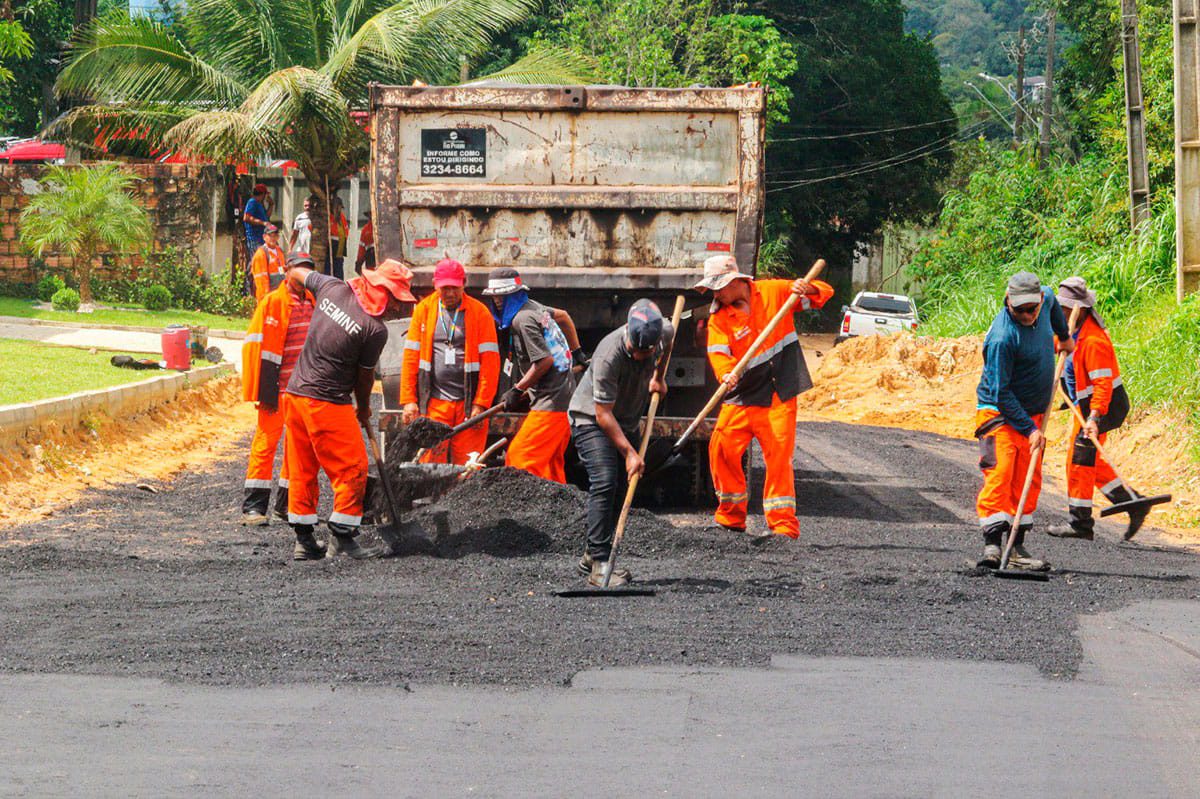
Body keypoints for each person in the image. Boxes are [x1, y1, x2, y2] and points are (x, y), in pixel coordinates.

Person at [282, 255, 416, 559]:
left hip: (295, 395)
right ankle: (342, 537)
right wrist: (364, 408)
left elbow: (296, 272)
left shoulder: (330, 287)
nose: (397, 306)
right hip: (326, 402)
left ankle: (303, 541)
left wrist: (295, 287)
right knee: (353, 467)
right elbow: (364, 376)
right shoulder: (374, 329)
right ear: (381, 290)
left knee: (303, 468)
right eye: (395, 298)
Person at [696, 255, 834, 542]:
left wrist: (805, 289)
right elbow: (718, 353)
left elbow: (824, 293)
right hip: (742, 395)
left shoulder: (774, 291)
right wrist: (725, 374)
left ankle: (782, 527)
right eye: (713, 289)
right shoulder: (719, 317)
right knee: (721, 448)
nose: (716, 294)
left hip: (777, 394)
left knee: (779, 458)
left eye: (719, 287)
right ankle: (731, 518)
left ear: (736, 281)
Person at [568, 300, 672, 587]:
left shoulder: (664, 331)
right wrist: (628, 452)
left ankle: (591, 553)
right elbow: (602, 414)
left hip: (625, 421)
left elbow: (666, 348)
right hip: (591, 417)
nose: (640, 357)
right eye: (636, 352)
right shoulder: (608, 354)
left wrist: (658, 378)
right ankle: (600, 567)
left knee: (623, 488)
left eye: (646, 353)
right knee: (604, 480)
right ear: (628, 333)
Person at [974, 271, 1074, 570]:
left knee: (1028, 480)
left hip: (1033, 414)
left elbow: (1055, 305)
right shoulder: (1003, 339)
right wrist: (1029, 429)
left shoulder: (1046, 299)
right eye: (1021, 311)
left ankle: (1016, 547)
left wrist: (1065, 338)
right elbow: (1000, 392)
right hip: (1000, 413)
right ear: (1009, 302)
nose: (1028, 315)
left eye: (1033, 309)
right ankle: (992, 545)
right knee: (1001, 474)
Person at [1047, 276, 1143, 540]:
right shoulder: (1072, 331)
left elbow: (1102, 386)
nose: (1061, 313)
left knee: (1079, 460)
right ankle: (1133, 501)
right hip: (1086, 406)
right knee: (1089, 460)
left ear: (1080, 309)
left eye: (1065, 309)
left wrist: (1094, 417)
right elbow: (1057, 344)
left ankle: (1080, 524)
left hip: (1102, 409)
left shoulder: (1094, 342)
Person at [240, 252, 315, 537]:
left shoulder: (315, 302)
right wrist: (261, 391)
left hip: (303, 392)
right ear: (287, 271)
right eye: (299, 270)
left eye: (308, 270)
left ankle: (285, 506)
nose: (303, 275)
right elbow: (254, 347)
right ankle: (254, 508)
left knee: (297, 450)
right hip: (276, 390)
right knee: (265, 444)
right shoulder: (271, 303)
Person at [399, 258, 501, 464]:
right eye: (445, 288)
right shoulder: (424, 310)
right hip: (434, 404)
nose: (451, 293)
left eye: (455, 288)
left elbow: (491, 363)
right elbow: (411, 358)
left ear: (464, 284)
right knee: (429, 466)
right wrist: (409, 400)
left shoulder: (480, 313)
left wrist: (481, 405)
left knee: (467, 467)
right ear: (436, 286)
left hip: (469, 407)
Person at [481, 267, 576, 482]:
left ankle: (526, 513)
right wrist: (576, 351)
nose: (497, 301)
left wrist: (517, 389)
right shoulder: (535, 307)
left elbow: (544, 361)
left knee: (520, 457)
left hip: (551, 404)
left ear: (513, 295)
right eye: (495, 296)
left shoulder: (521, 319)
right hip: (563, 399)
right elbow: (564, 316)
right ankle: (558, 512)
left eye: (502, 296)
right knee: (550, 465)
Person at [249, 223, 286, 303]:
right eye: (270, 236)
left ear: (278, 237)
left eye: (275, 235)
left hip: (280, 296)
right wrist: (266, 300)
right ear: (264, 237)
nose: (273, 238)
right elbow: (261, 280)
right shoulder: (261, 254)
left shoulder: (280, 251)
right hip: (267, 298)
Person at [243, 183, 272, 261]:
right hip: (255, 239)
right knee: (258, 261)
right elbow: (247, 217)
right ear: (262, 194)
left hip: (261, 238)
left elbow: (266, 217)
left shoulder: (259, 204)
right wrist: (262, 223)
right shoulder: (252, 202)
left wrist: (271, 205)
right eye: (266, 194)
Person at [327, 194, 349, 280]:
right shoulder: (328, 216)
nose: (339, 209)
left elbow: (346, 231)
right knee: (328, 270)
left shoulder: (341, 217)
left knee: (338, 271)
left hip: (339, 247)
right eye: (337, 207)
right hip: (329, 246)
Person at [356, 209, 375, 273]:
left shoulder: (384, 226)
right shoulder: (365, 229)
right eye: (370, 214)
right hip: (371, 258)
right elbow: (362, 248)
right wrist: (359, 263)